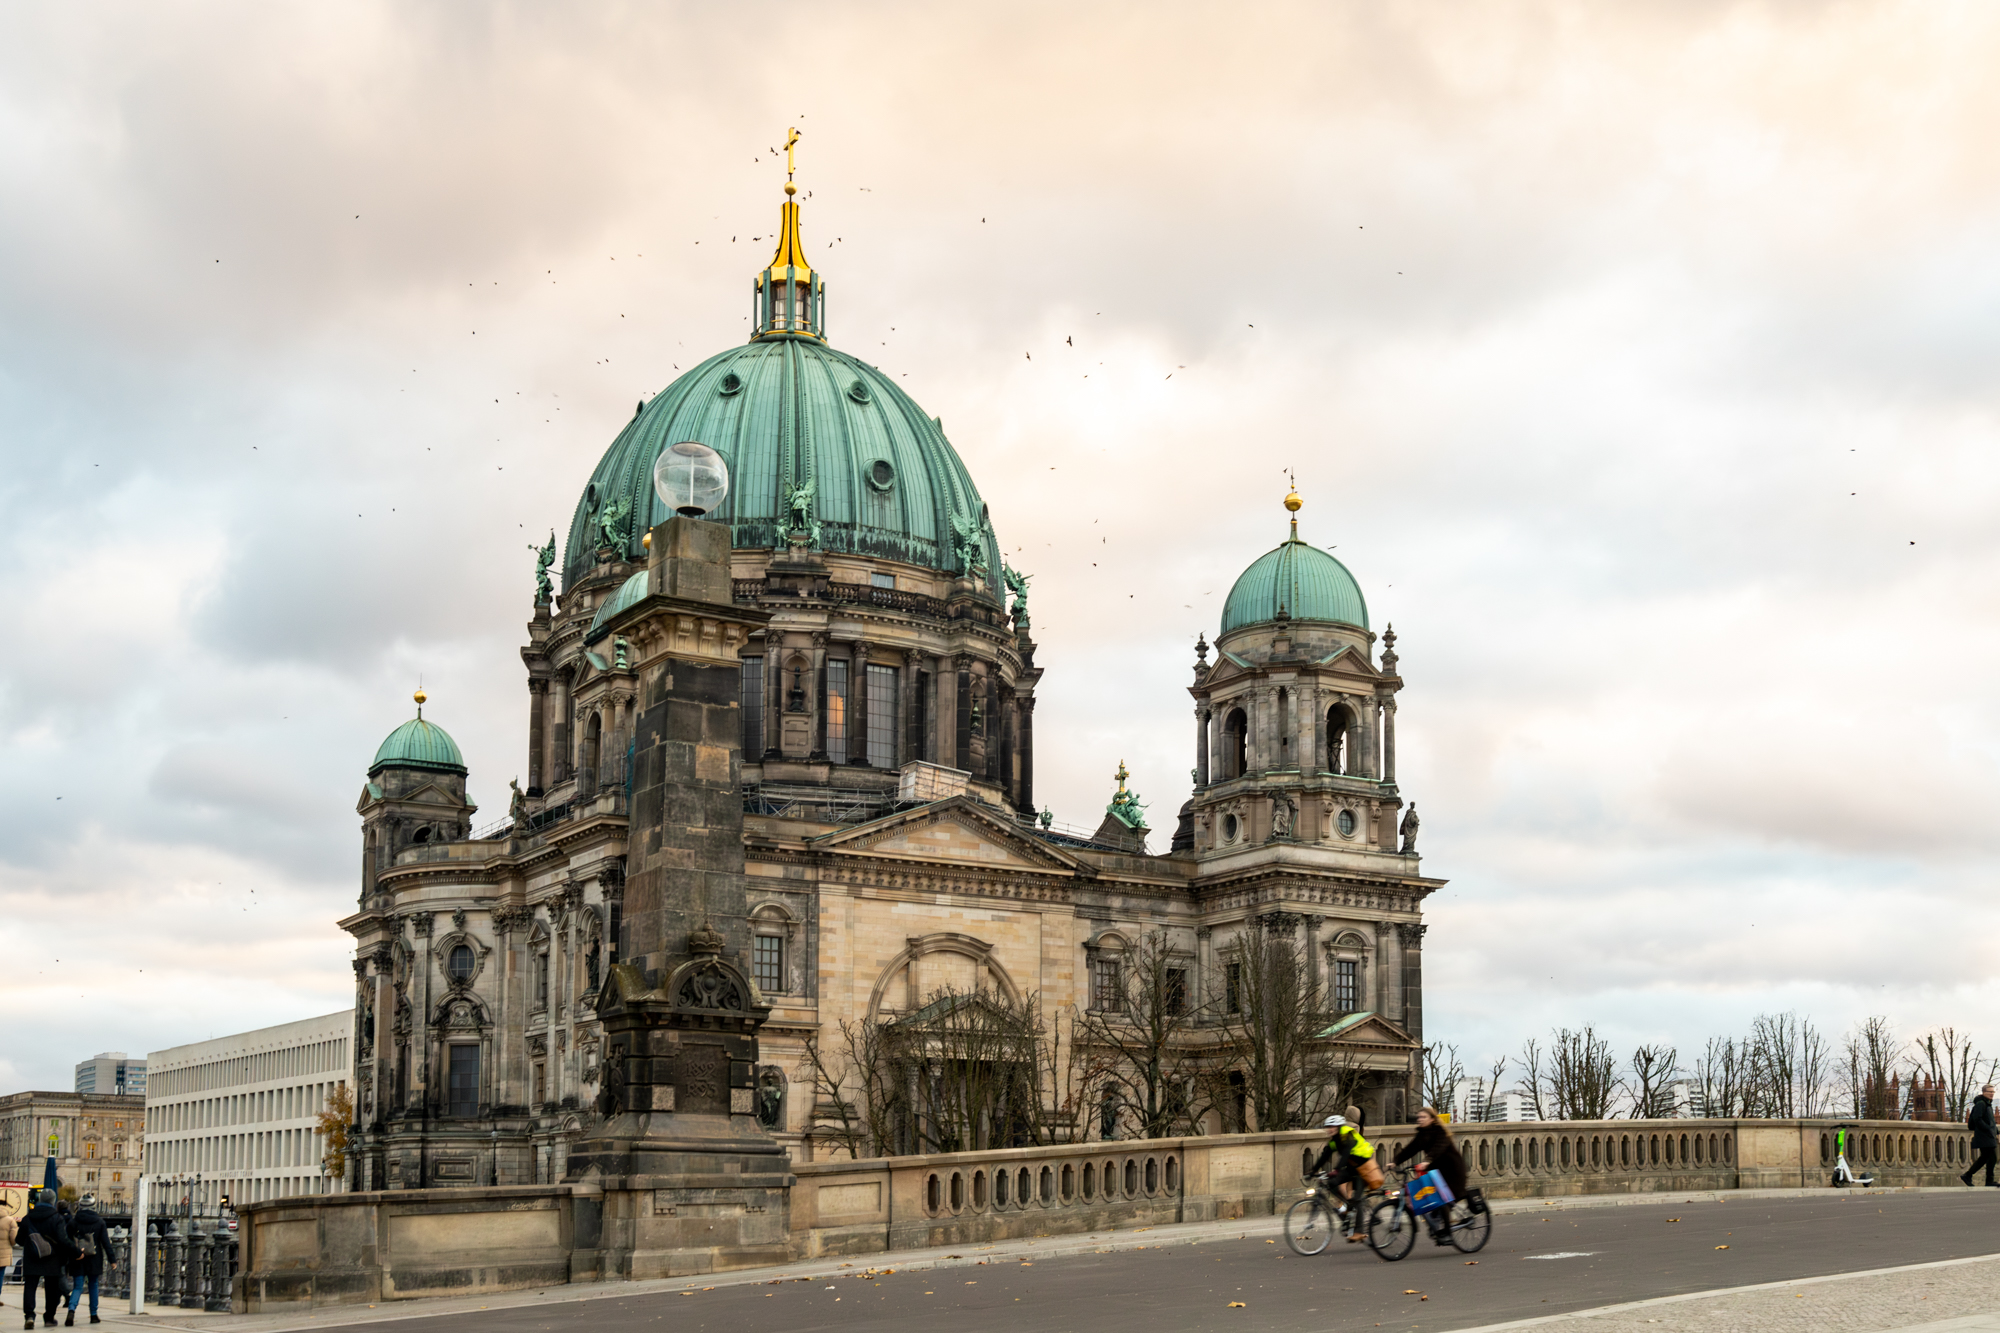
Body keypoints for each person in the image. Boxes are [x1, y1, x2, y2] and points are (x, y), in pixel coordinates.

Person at [1393, 1106, 1473, 1241]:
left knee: (1442, 1199)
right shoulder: (1422, 1134)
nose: (1420, 1119)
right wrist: (1395, 1161)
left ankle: (1447, 1233)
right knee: (1431, 1197)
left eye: (1423, 1117)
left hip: (1452, 1171)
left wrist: (1428, 1160)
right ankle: (1436, 1222)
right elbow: (1410, 1150)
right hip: (1436, 1171)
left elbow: (1439, 1148)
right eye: (1419, 1117)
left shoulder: (1440, 1132)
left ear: (1432, 1119)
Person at [1308, 1111, 1379, 1240]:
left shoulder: (1347, 1134)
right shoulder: (1334, 1141)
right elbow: (1324, 1157)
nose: (1329, 1130)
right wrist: (1312, 1172)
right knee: (1331, 1183)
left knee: (1357, 1199)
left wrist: (1336, 1169)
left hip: (1364, 1167)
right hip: (1352, 1168)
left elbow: (1346, 1152)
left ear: (1339, 1127)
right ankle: (1347, 1208)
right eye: (1328, 1127)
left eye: (1332, 1127)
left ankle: (1359, 1231)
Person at [17, 1190, 74, 1330]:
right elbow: (63, 1240)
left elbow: (19, 1240)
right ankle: (49, 1317)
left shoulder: (28, 1218)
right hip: (52, 1258)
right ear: (53, 1201)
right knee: (52, 1288)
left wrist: (32, 1243)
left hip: (32, 1257)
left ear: (40, 1199)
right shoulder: (57, 1218)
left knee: (30, 1287)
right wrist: (76, 1251)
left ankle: (29, 1316)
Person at [62, 1195, 107, 1326]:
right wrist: (112, 1259)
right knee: (93, 1285)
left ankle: (71, 1310)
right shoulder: (100, 1222)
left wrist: (67, 1258)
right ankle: (93, 1314)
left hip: (77, 1258)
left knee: (77, 1287)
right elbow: (105, 1242)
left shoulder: (73, 1223)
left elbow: (67, 1242)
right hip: (94, 1258)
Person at [1964, 1083, 1998, 1187]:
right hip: (1984, 1136)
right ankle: (1988, 1181)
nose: (1992, 1094)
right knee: (1991, 1158)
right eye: (1990, 1092)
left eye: (1993, 1092)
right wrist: (1988, 1129)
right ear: (1984, 1092)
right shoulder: (1981, 1104)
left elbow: (1990, 1121)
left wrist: (1996, 1131)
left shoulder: (1987, 1104)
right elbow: (1977, 1119)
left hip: (1988, 1135)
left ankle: (1968, 1175)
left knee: (1986, 1158)